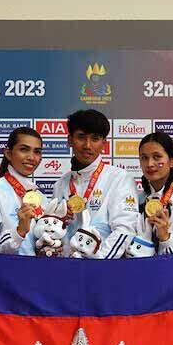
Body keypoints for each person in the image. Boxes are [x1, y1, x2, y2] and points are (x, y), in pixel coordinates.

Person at [50, 109, 138, 258]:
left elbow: (125, 230)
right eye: (81, 137)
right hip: (66, 267)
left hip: (102, 266)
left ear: (104, 143)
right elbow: (54, 233)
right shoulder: (60, 184)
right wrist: (59, 221)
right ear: (70, 140)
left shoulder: (119, 178)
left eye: (95, 139)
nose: (87, 145)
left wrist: (98, 262)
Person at [0, 127, 44, 254]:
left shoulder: (40, 196)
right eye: (24, 149)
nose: (31, 157)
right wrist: (19, 232)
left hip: (37, 267)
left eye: (37, 152)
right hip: (6, 267)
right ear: (8, 153)